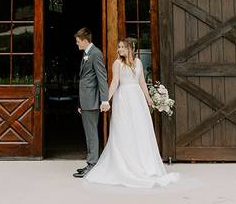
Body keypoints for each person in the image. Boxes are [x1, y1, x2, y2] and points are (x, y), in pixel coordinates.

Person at [84, 37, 180, 188]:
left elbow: (142, 82)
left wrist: (149, 100)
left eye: (122, 47)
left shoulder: (139, 63)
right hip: (123, 99)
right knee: (123, 130)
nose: (119, 49)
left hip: (137, 99)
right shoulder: (117, 64)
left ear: (129, 49)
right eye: (118, 47)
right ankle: (124, 164)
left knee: (140, 130)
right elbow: (115, 82)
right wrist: (106, 100)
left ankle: (143, 163)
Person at [73, 27, 109, 178]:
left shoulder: (95, 54)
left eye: (78, 41)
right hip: (86, 100)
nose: (76, 44)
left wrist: (104, 99)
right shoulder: (87, 54)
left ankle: (93, 164)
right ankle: (91, 162)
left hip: (93, 100)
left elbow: (102, 78)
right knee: (89, 133)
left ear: (85, 40)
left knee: (92, 133)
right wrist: (81, 103)